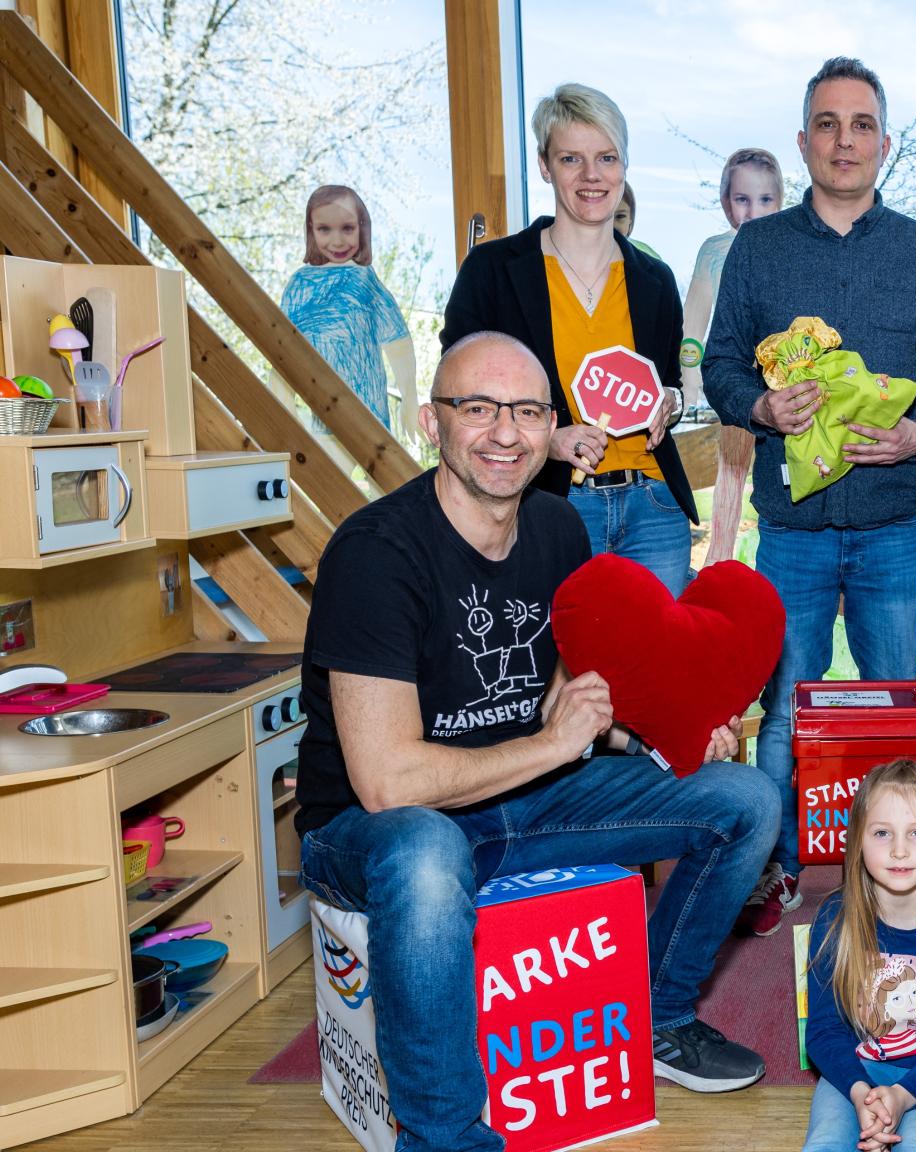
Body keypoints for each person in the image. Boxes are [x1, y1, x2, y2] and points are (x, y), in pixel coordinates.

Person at [293, 332, 777, 1151]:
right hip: (371, 833)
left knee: (747, 799)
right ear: (431, 423)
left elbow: (575, 703)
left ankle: (655, 1017)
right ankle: (445, 1138)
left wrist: (673, 733)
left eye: (525, 410)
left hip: (524, 800)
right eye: (476, 408)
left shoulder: (556, 530)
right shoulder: (376, 555)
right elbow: (386, 783)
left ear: (553, 423)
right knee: (422, 849)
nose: (504, 433)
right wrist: (559, 745)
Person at [703, 57, 916, 937]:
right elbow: (719, 364)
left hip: (895, 527)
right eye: (827, 123)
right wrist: (759, 404)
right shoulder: (761, 248)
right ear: (804, 141)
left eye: (861, 125)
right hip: (793, 535)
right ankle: (774, 871)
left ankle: (907, 881)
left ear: (885, 145)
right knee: (785, 712)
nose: (844, 140)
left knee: (901, 705)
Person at [442, 82, 698, 597]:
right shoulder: (492, 271)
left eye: (606, 157)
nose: (591, 176)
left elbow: (667, 381)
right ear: (544, 165)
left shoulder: (655, 280)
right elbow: (458, 388)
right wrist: (547, 439)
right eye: (571, 159)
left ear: (624, 167)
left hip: (654, 509)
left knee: (649, 674)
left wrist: (668, 402)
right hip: (551, 506)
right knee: (552, 670)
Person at [803, 760, 916, 1152]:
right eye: (882, 833)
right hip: (852, 1073)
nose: (900, 850)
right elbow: (823, 1033)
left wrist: (904, 1095)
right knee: (824, 1145)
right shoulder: (835, 918)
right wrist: (859, 1093)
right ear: (857, 842)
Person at [684, 147, 787, 564]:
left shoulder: (792, 248)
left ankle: (775, 571)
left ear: (780, 200)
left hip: (785, 396)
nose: (752, 211)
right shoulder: (714, 252)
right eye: (742, 199)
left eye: (765, 200)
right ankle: (720, 568)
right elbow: (693, 325)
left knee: (782, 490)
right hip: (732, 393)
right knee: (729, 485)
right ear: (726, 200)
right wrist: (692, 392)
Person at [280, 184, 416, 434]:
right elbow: (284, 351)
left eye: (347, 228)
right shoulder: (299, 285)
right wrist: (283, 401)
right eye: (325, 229)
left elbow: (398, 341)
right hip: (323, 417)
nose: (337, 240)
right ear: (311, 230)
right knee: (326, 472)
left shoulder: (365, 280)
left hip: (372, 416)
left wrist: (410, 398)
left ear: (362, 227)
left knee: (384, 473)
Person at [613, 181, 662, 261]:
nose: (612, 226)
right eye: (602, 218)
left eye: (620, 216)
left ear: (630, 219)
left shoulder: (650, 260)